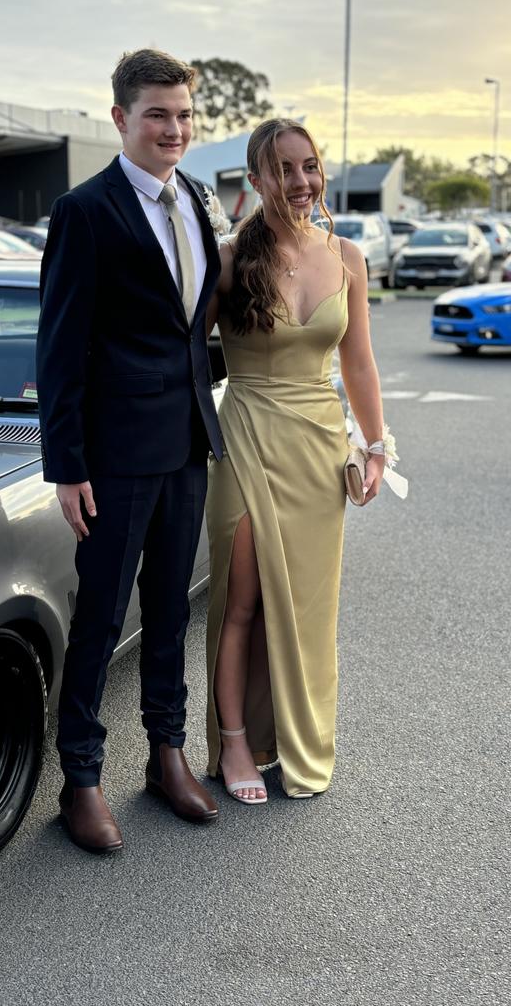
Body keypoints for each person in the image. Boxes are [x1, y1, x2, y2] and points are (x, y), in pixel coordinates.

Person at [36, 48, 224, 853]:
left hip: (185, 441)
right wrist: (67, 465)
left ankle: (167, 756)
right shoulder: (86, 210)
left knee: (173, 610)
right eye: (157, 114)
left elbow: (193, 326)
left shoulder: (197, 202)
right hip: (112, 456)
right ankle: (80, 779)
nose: (173, 128)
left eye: (183, 114)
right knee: (102, 618)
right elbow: (60, 348)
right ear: (120, 119)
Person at [204, 119, 387, 803]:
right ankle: (234, 745)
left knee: (308, 609)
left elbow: (359, 362)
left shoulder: (348, 257)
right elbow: (178, 350)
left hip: (317, 446)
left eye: (309, 166)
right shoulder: (224, 258)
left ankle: (295, 740)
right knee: (241, 603)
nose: (301, 181)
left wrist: (374, 445)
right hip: (248, 437)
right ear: (254, 179)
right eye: (283, 169)